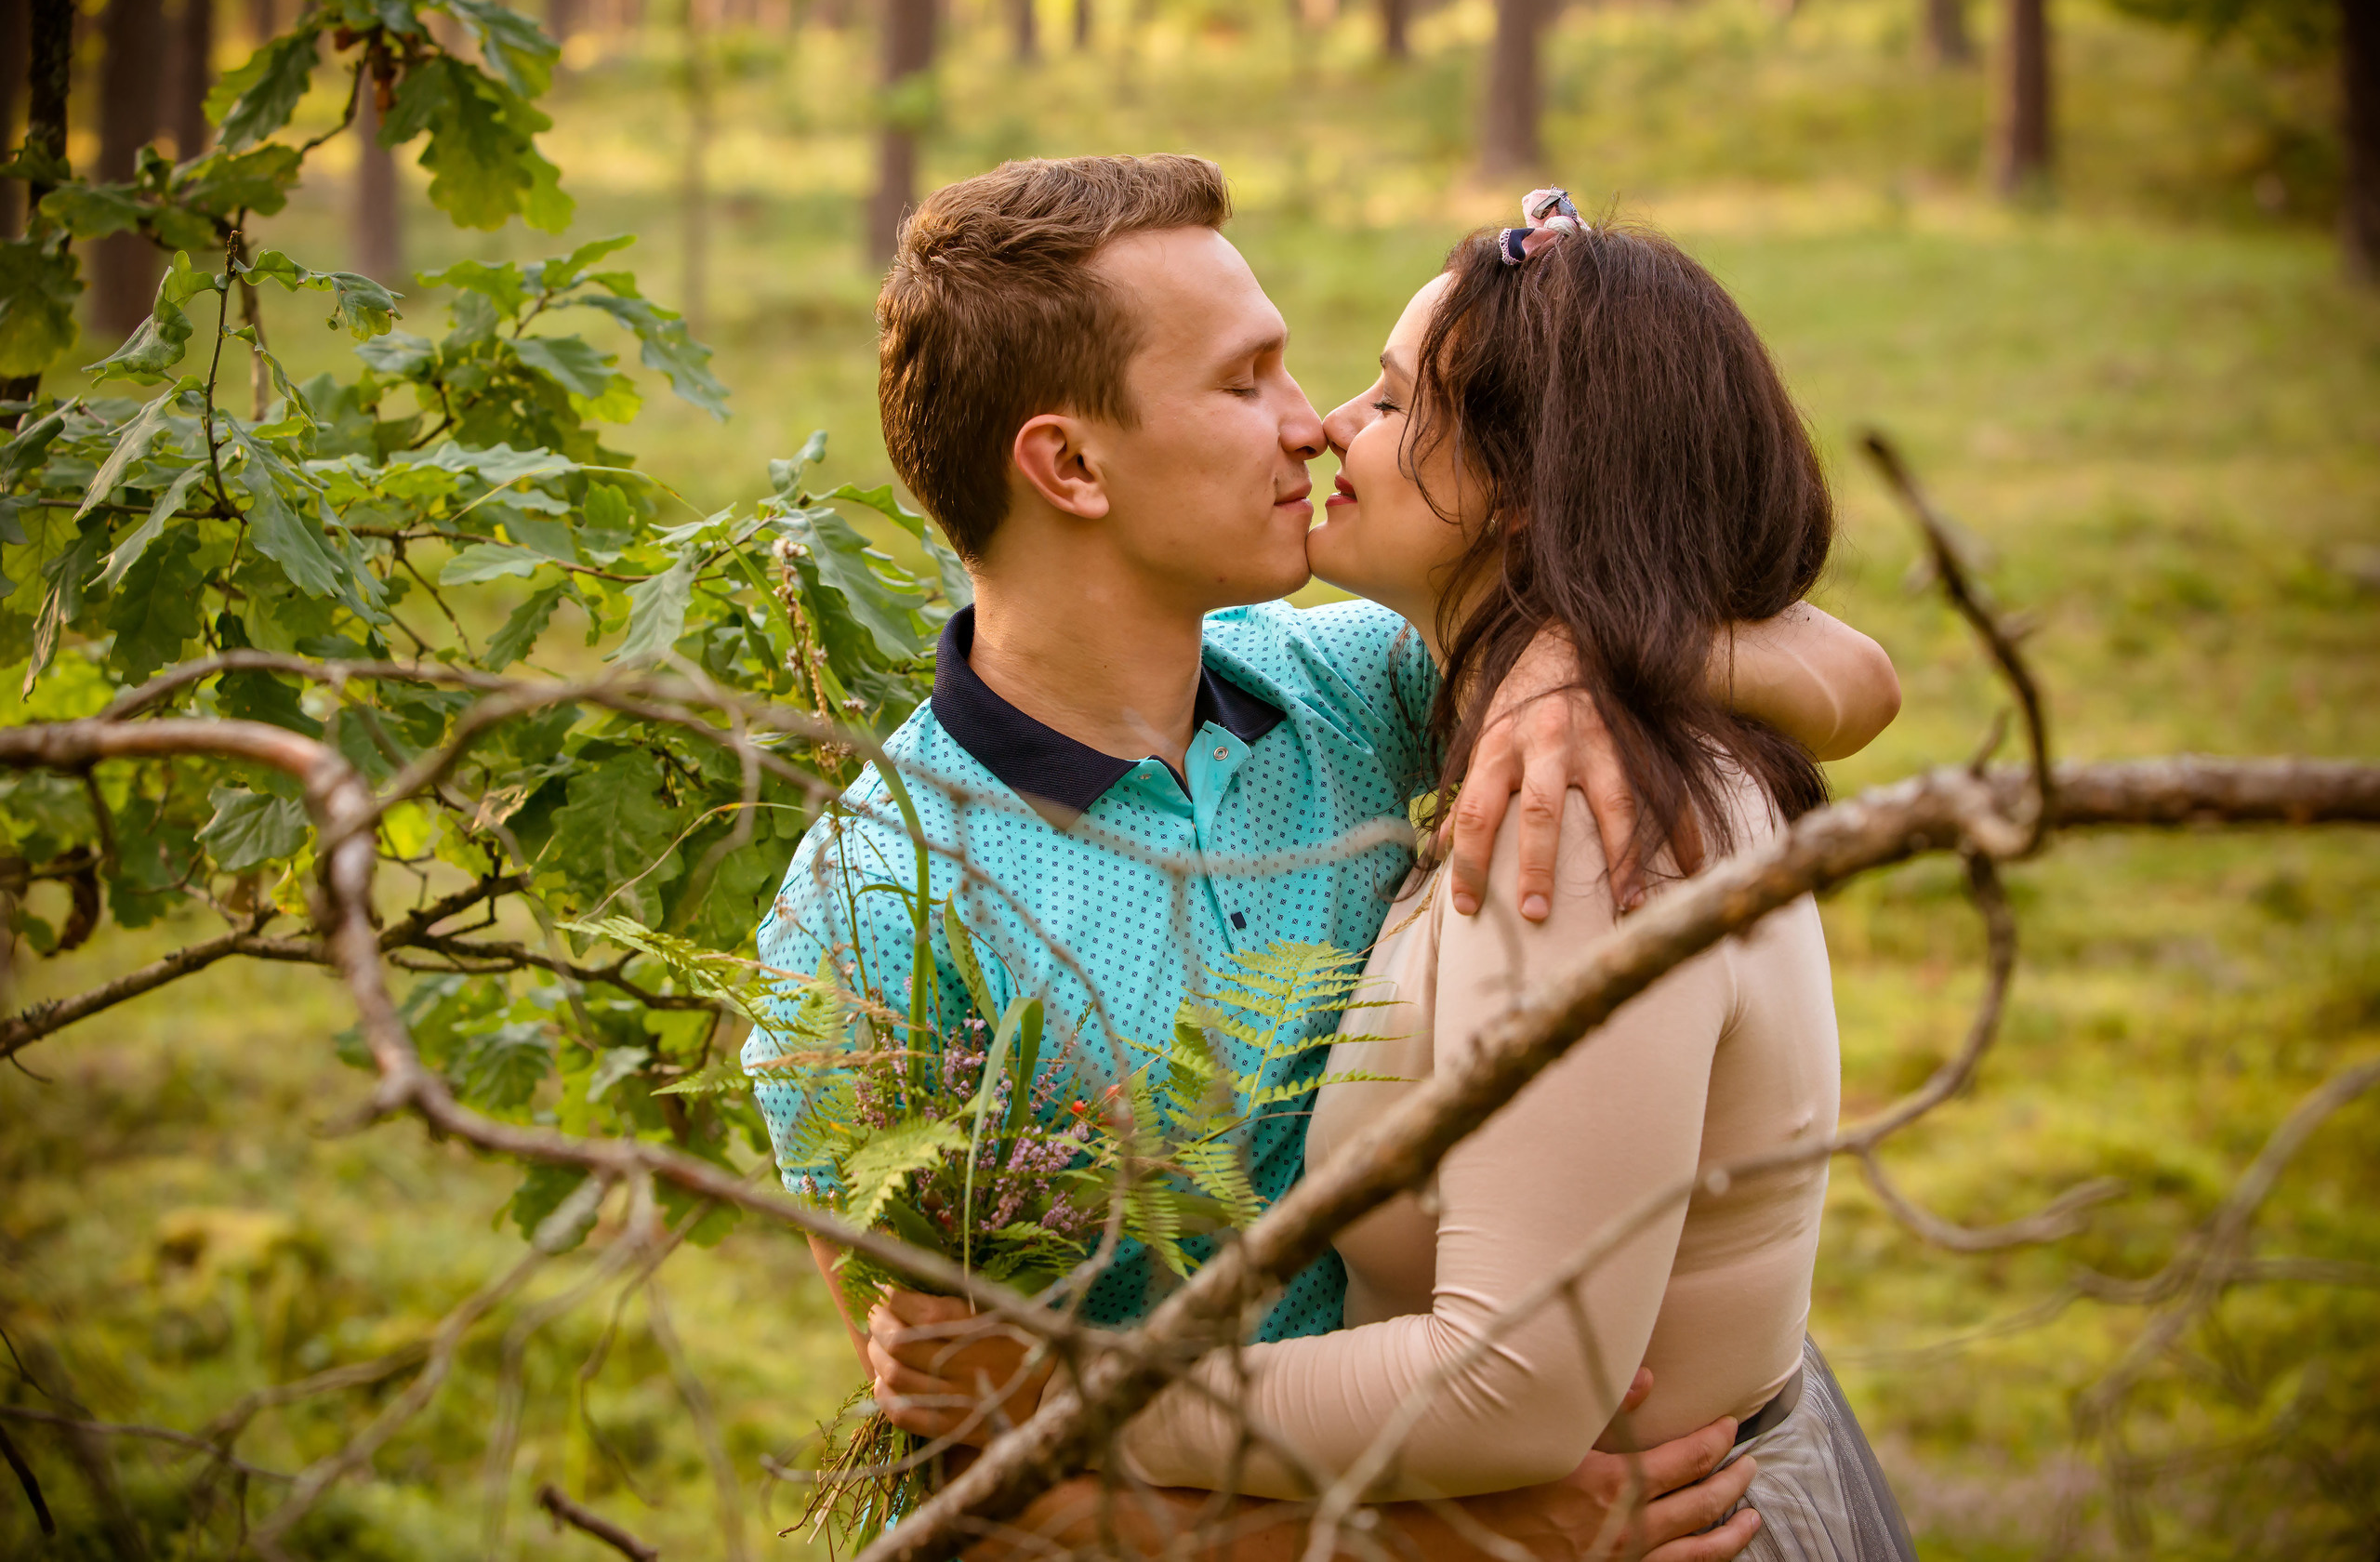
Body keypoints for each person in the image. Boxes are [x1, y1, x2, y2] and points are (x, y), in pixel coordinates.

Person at [749, 156, 1901, 1560]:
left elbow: (1849, 672)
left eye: (1322, 377)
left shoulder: (1354, 689)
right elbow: (960, 1496)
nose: (1313, 428)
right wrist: (1426, 1543)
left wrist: (1569, 653)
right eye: (1247, 385)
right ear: (1067, 464)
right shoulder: (870, 916)